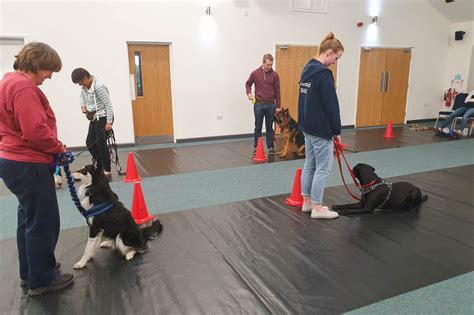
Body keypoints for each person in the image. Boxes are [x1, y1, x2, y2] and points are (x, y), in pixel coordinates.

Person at [0, 42, 74, 296]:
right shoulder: (23, 87)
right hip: (28, 163)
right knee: (43, 221)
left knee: (29, 219)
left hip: (12, 161)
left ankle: (30, 272)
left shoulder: (7, 81)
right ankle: (42, 279)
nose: (50, 76)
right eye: (48, 70)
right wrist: (58, 148)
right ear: (35, 64)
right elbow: (34, 130)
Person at [298, 33, 344, 219]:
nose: (335, 62)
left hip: (307, 126)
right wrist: (336, 131)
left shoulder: (307, 69)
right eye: (336, 57)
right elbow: (331, 106)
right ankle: (317, 208)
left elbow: (302, 100)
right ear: (329, 52)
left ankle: (307, 202)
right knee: (323, 168)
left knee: (310, 164)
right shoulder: (324, 75)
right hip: (320, 129)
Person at [71, 68, 114, 175]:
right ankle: (99, 163)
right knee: (89, 142)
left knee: (100, 142)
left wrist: (109, 122)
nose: (80, 85)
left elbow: (108, 105)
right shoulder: (84, 87)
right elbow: (82, 97)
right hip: (94, 116)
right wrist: (83, 106)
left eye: (80, 82)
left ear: (85, 77)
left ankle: (106, 168)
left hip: (103, 116)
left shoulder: (99, 87)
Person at [245, 54, 281, 156]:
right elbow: (248, 84)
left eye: (271, 65)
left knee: (269, 128)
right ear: (263, 62)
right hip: (259, 104)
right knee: (258, 127)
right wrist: (249, 93)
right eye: (268, 65)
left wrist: (278, 106)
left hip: (271, 105)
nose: (270, 67)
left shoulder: (275, 75)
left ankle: (270, 148)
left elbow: (278, 91)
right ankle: (256, 147)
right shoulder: (255, 73)